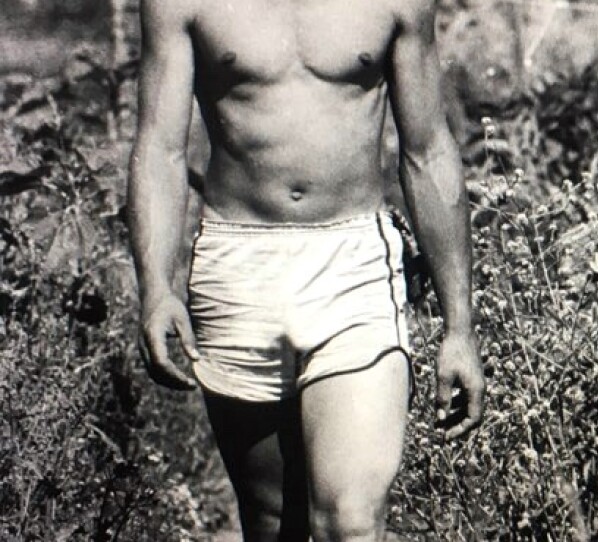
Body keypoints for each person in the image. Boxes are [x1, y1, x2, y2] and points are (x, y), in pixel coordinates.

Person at [126, 0, 485, 540]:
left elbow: (428, 149)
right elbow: (160, 148)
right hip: (238, 265)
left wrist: (459, 327)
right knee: (273, 521)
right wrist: (156, 288)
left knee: (352, 520)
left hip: (354, 265)